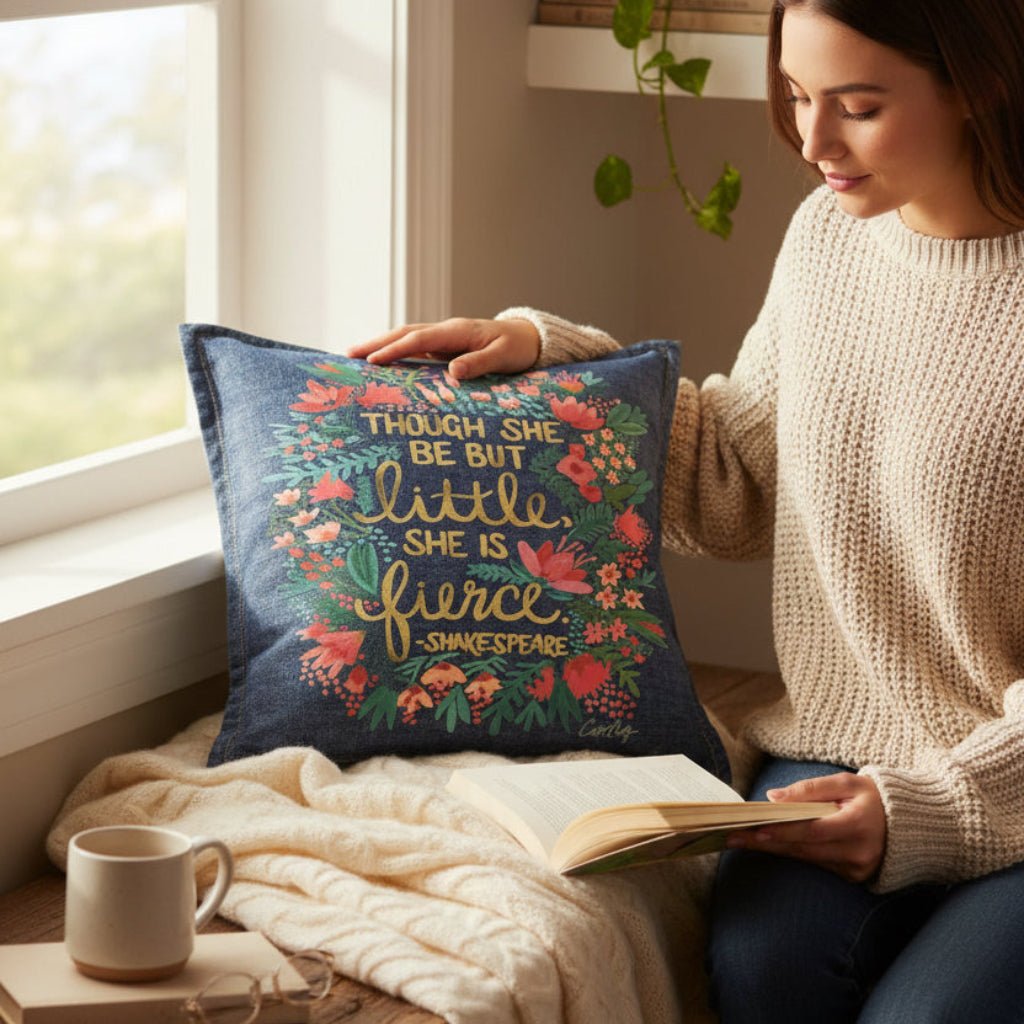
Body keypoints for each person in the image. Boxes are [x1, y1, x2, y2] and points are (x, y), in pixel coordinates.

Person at [347, 0, 1024, 1019]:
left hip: (1010, 775)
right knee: (762, 975)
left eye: (858, 107)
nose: (813, 142)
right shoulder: (828, 241)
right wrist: (558, 371)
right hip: (845, 743)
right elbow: (736, 478)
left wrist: (934, 809)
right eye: (795, 95)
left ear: (980, 85)